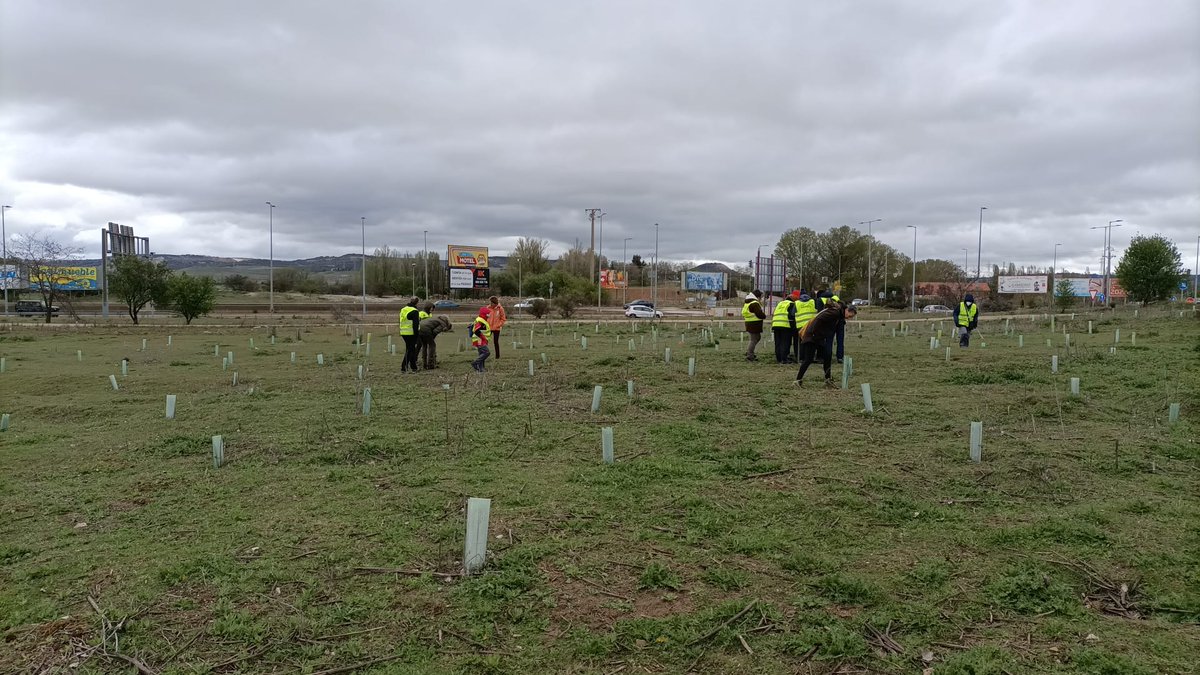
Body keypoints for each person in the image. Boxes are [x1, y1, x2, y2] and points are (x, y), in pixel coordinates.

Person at [795, 301, 857, 387]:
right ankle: (798, 380)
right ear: (846, 310)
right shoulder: (834, 313)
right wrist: (813, 333)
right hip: (812, 336)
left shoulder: (837, 314)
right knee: (808, 359)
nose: (849, 318)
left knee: (828, 356)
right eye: (850, 315)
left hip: (818, 337)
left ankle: (828, 380)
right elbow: (819, 319)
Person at [771, 291, 800, 364]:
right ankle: (784, 359)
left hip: (776, 324)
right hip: (785, 325)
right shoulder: (792, 304)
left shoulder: (780, 303)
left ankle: (779, 358)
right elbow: (792, 316)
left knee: (778, 343)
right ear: (794, 298)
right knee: (785, 342)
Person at [818, 290, 846, 362]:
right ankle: (840, 357)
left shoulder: (821, 300)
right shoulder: (837, 298)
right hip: (840, 321)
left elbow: (820, 312)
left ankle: (828, 357)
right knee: (840, 340)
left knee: (829, 341)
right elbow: (844, 308)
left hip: (830, 322)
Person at [398, 297, 422, 373]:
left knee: (411, 349)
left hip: (403, 332)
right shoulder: (415, 311)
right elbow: (415, 325)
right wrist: (416, 335)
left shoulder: (403, 309)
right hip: (411, 333)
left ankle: (413, 367)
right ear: (417, 303)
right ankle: (403, 367)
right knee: (410, 350)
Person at [742, 290, 767, 361]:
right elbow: (759, 313)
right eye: (761, 297)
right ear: (757, 296)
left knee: (757, 338)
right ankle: (750, 355)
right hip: (754, 324)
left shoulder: (748, 302)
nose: (761, 299)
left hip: (750, 323)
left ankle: (750, 352)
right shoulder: (754, 303)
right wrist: (764, 316)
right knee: (754, 339)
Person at [470, 307, 492, 372]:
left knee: (481, 354)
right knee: (486, 352)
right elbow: (476, 331)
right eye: (488, 314)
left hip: (481, 340)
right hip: (479, 340)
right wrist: (483, 338)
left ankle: (481, 368)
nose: (489, 315)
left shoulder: (483, 320)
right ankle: (475, 363)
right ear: (484, 314)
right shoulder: (480, 320)